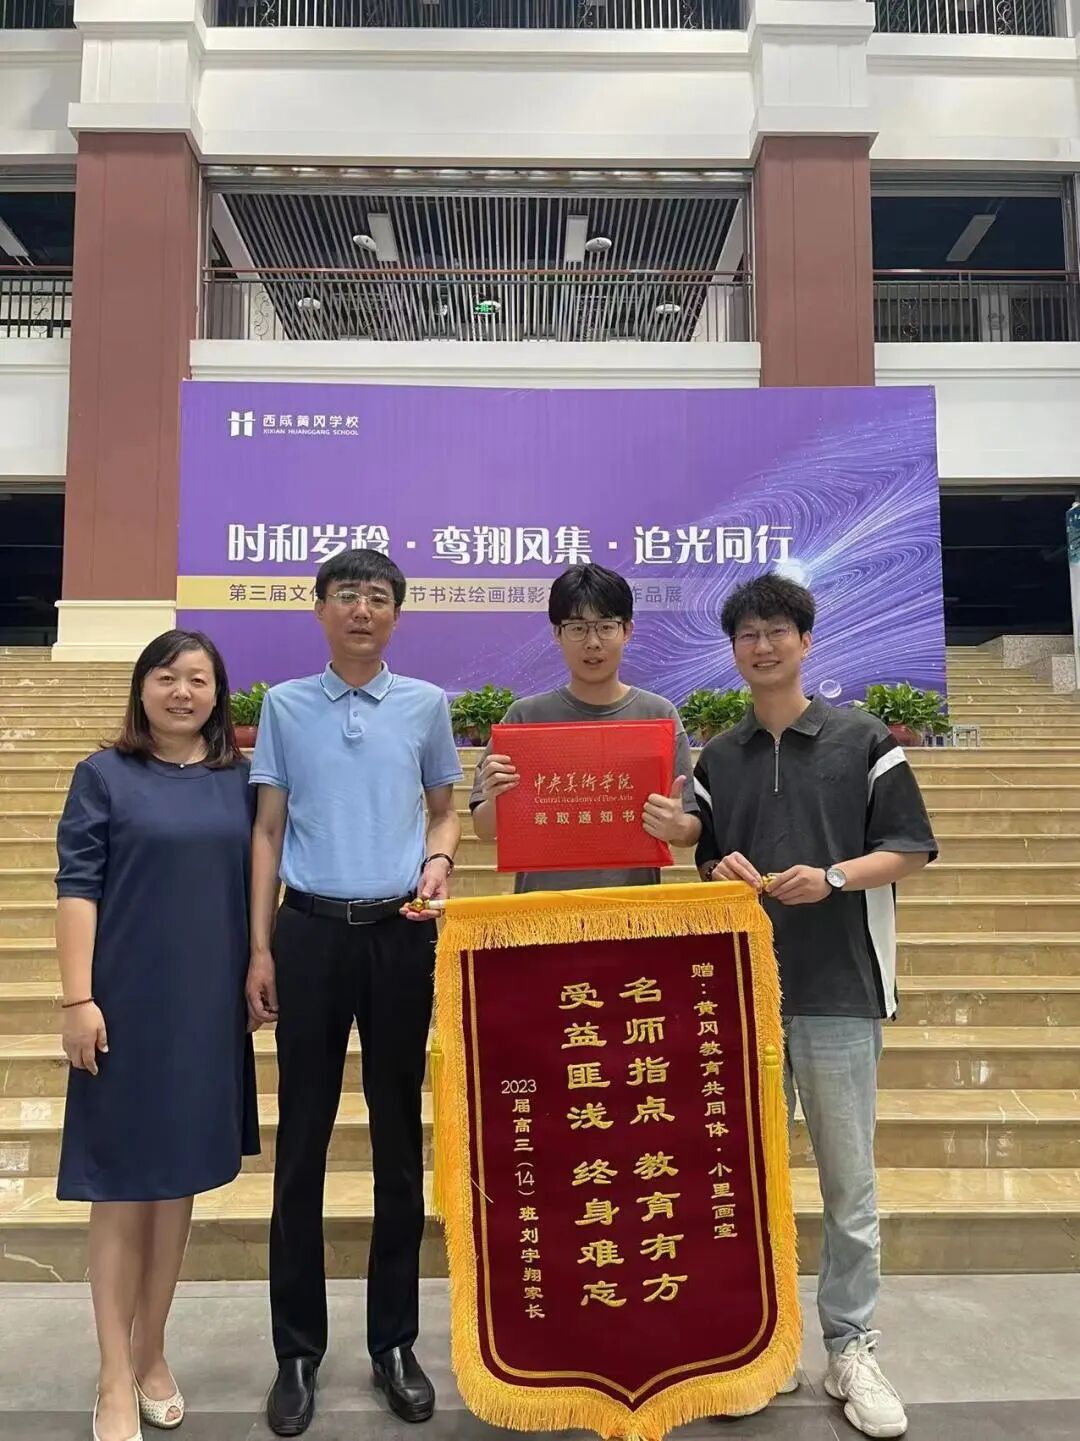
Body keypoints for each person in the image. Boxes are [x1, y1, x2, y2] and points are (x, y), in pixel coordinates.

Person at [693, 574, 936, 1440]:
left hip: (840, 990)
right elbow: (706, 857)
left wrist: (833, 875)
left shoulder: (862, 738)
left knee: (847, 1183)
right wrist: (718, 866)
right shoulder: (718, 757)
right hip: (741, 997)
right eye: (748, 635)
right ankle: (760, 1349)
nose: (763, 647)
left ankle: (851, 1346)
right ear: (734, 649)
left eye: (777, 631)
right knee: (747, 1181)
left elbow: (911, 848)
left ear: (805, 640)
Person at [245, 548, 462, 1436]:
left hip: (401, 933)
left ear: (396, 613)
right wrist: (260, 946)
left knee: (397, 1142)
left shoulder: (426, 704)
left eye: (377, 596)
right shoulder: (285, 706)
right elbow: (266, 830)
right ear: (320, 609)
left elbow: (445, 808)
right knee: (300, 1141)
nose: (362, 609)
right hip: (307, 933)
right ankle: (296, 1351)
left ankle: (394, 1343)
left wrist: (439, 859)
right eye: (346, 595)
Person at [55, 630, 259, 1441]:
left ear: (218, 694)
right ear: (142, 688)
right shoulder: (104, 774)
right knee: (119, 1190)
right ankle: (112, 1373)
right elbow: (78, 887)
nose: (182, 692)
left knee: (176, 1188)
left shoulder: (237, 781)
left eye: (198, 679)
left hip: (205, 1012)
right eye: (167, 676)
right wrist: (78, 998)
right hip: (124, 1008)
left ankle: (152, 1351)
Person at [471, 563, 700, 884]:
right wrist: (496, 798)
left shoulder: (658, 714)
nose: (593, 642)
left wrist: (678, 826)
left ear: (627, 630)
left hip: (632, 906)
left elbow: (690, 827)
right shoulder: (524, 718)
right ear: (557, 634)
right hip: (543, 908)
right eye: (577, 628)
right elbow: (483, 829)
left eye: (606, 626)